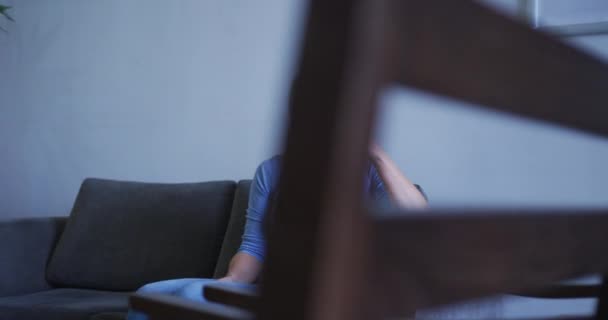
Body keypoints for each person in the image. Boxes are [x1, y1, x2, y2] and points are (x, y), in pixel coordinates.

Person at [126, 144, 427, 320]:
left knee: (192, 294)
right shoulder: (271, 171)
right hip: (272, 288)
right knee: (149, 294)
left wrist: (375, 152)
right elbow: (254, 246)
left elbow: (420, 219)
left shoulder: (370, 171)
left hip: (335, 294)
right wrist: (227, 285)